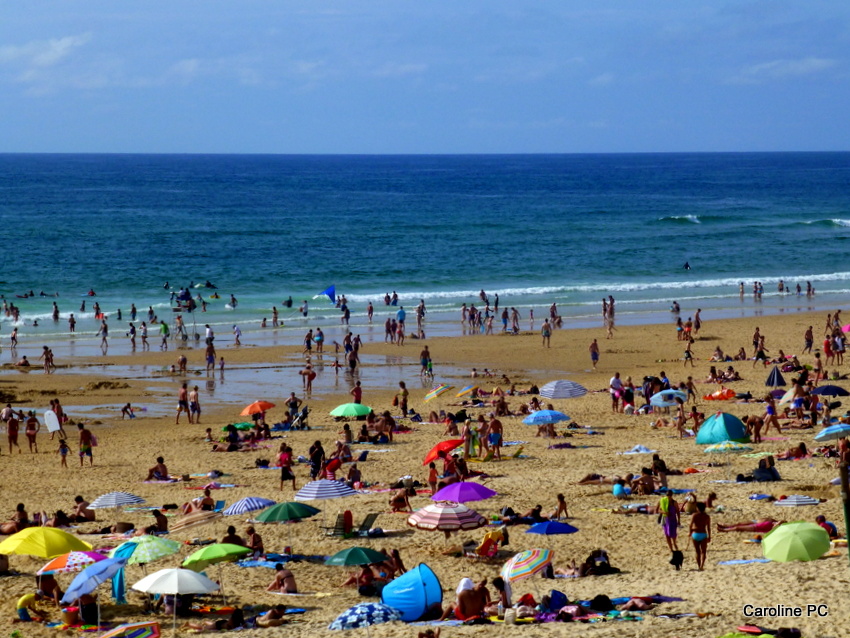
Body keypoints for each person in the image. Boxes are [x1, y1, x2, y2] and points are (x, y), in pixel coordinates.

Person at [689, 502, 711, 571]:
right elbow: (708, 528)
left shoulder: (694, 515)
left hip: (695, 534)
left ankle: (698, 566)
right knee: (703, 551)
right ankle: (702, 566)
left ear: (698, 508)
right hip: (703, 534)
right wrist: (709, 536)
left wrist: (690, 532)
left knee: (697, 551)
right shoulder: (707, 516)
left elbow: (690, 525)